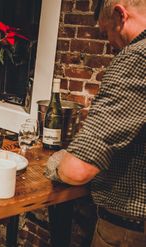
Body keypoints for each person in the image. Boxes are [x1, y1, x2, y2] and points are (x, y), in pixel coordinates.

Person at [45, 0, 146, 246]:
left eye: (106, 31)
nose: (110, 43)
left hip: (130, 231)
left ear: (120, 14)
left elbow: (77, 171)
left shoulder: (136, 57)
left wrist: (55, 162)